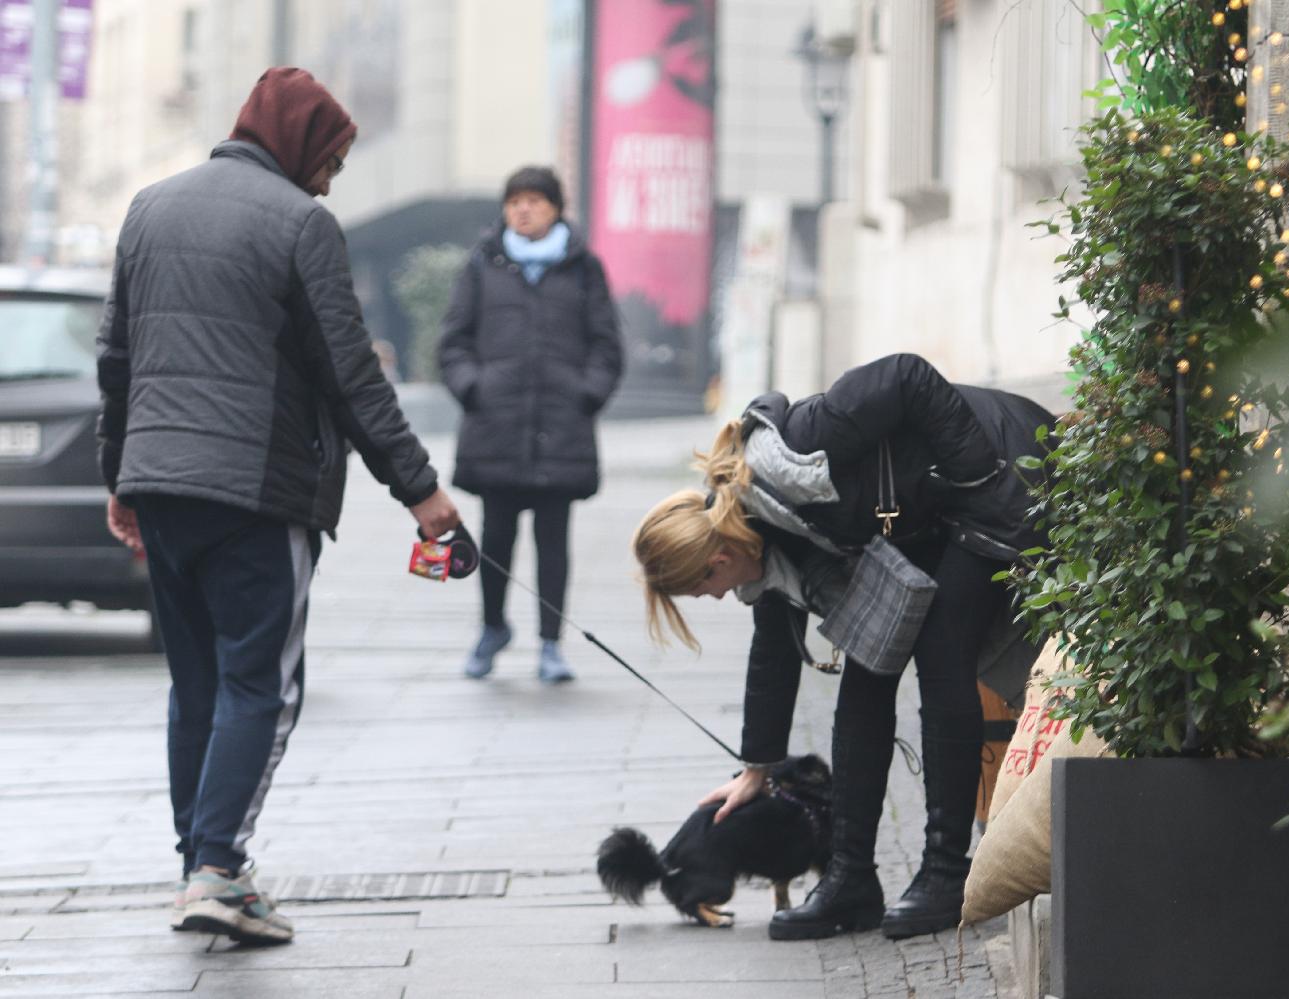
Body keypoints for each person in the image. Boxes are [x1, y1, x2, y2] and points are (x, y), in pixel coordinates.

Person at [96, 67, 461, 946]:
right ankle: (218, 869)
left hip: (160, 486)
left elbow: (116, 357)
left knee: (198, 685)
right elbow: (351, 376)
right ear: (299, 144)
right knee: (264, 685)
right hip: (254, 494)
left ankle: (205, 868)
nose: (331, 178)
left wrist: (121, 476)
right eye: (331, 158)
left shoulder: (149, 207)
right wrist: (422, 490)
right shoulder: (302, 224)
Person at [631, 353, 1053, 941]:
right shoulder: (765, 540)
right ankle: (851, 879)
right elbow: (772, 657)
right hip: (937, 515)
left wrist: (975, 476)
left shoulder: (798, 449)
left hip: (1006, 469)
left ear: (717, 558)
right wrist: (757, 770)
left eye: (702, 590)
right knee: (865, 673)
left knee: (941, 654)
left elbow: (906, 375)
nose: (716, 598)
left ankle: (946, 874)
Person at [439, 166, 623, 684]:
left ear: (556, 208)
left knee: (553, 541)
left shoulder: (584, 269)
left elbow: (607, 346)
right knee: (493, 537)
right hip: (496, 426)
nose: (523, 209)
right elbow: (452, 342)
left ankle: (550, 643)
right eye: (514, 200)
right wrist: (473, 387)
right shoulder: (482, 265)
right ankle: (492, 627)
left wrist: (587, 394)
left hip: (561, 428)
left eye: (535, 201)